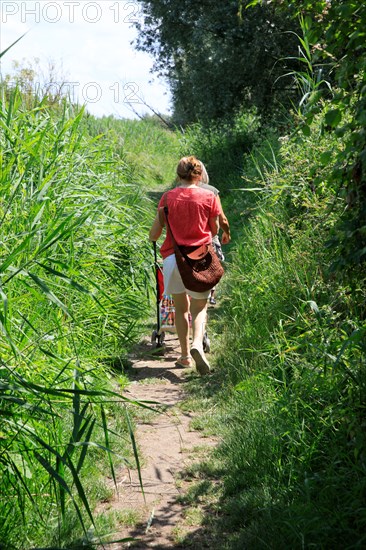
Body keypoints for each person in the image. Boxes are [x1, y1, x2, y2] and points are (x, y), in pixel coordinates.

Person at [149, 156, 221, 375]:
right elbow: (215, 230)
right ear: (199, 175)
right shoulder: (209, 196)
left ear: (178, 175)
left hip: (173, 259)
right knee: (200, 308)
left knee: (181, 309)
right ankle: (197, 344)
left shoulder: (167, 198)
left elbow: (153, 235)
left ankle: (184, 357)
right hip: (200, 258)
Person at [199, 161, 231, 305]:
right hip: (208, 237)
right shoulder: (211, 191)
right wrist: (227, 232)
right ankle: (211, 295)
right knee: (213, 266)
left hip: (184, 240)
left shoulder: (177, 192)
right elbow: (222, 218)